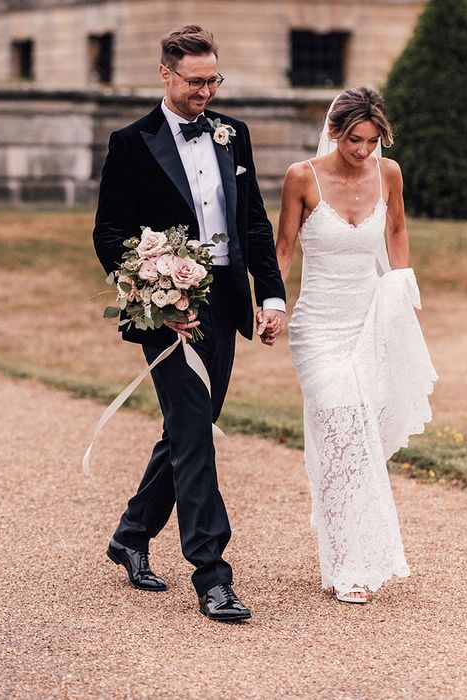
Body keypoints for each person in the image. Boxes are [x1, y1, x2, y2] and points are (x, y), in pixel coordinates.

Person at [92, 25, 286, 622]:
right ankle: (212, 573)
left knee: (191, 426)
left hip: (224, 305)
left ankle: (130, 534)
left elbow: (252, 223)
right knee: (195, 435)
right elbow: (108, 234)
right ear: (165, 75)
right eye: (195, 81)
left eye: (213, 80)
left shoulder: (234, 135)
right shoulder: (131, 143)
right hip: (167, 313)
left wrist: (271, 297)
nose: (205, 91)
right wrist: (154, 298)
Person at [276, 87, 437, 604]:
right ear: (335, 131)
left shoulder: (388, 174)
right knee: (342, 426)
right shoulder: (302, 177)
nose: (364, 151)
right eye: (354, 140)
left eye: (372, 141)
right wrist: (271, 306)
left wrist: (399, 288)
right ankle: (347, 563)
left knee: (359, 439)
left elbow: (396, 230)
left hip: (370, 320)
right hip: (318, 328)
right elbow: (283, 247)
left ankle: (352, 552)